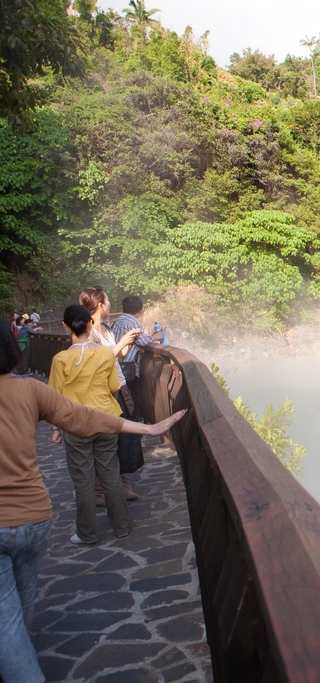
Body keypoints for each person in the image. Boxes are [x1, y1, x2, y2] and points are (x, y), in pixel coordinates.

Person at [0, 321, 185, 683]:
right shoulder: (29, 391)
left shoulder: (44, 379)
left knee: (7, 622)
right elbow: (83, 417)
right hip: (35, 520)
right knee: (17, 616)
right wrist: (148, 429)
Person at [48, 305, 135, 546]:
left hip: (75, 424)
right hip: (105, 419)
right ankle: (122, 526)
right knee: (110, 474)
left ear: (65, 326)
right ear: (90, 324)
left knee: (83, 480)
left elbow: (55, 398)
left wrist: (55, 429)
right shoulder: (105, 354)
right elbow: (114, 387)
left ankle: (87, 533)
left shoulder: (61, 359)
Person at [79, 287, 140, 502]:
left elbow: (117, 358)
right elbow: (97, 362)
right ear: (100, 305)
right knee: (105, 438)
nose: (110, 303)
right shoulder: (87, 332)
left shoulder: (107, 328)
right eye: (108, 299)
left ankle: (124, 483)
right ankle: (98, 490)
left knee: (126, 438)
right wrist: (121, 344)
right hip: (101, 390)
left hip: (119, 385)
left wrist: (128, 342)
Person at [110, 295, 164, 420]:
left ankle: (127, 420)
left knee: (123, 398)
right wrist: (156, 337)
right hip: (128, 366)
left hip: (118, 364)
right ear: (140, 311)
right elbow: (142, 341)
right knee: (133, 397)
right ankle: (134, 423)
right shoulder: (134, 322)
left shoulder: (117, 321)